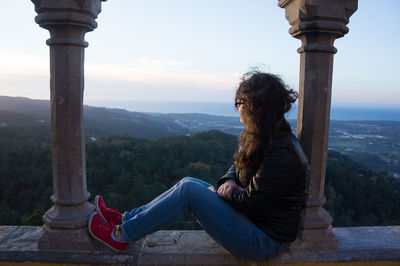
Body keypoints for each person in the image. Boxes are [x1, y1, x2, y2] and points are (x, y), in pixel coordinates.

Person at [88, 71, 310, 261]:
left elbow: (253, 203)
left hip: (263, 240)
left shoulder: (283, 151)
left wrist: (230, 193)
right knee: (188, 183)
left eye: (239, 102)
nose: (237, 107)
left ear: (256, 107)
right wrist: (230, 182)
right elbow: (236, 167)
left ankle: (120, 236)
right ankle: (125, 219)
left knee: (189, 193)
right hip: (251, 223)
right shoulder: (264, 136)